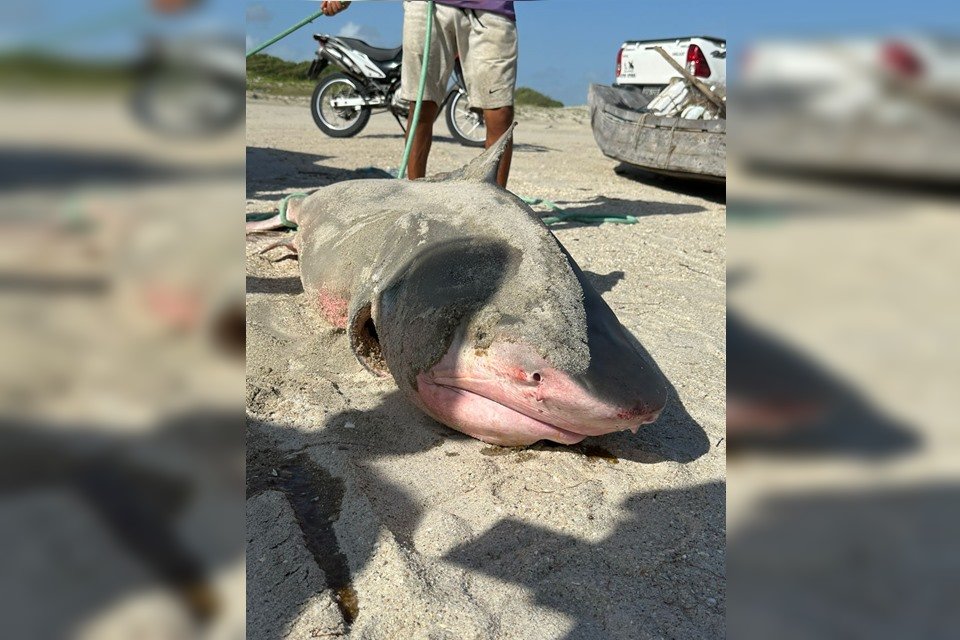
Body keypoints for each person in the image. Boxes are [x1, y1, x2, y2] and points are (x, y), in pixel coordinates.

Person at [321, 0, 518, 187]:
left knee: (500, 113)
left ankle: (497, 202)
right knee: (421, 106)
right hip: (428, 7)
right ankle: (414, 195)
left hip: (491, 9)